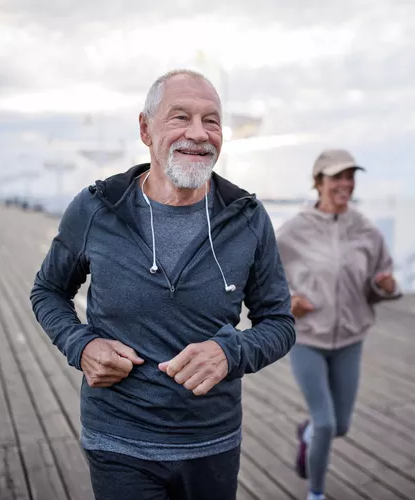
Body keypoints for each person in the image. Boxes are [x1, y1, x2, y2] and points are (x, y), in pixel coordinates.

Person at [30, 69, 295, 500]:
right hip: (118, 440)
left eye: (211, 121)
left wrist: (232, 352)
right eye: (180, 117)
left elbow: (279, 323)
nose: (198, 133)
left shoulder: (247, 217)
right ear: (145, 129)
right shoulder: (97, 209)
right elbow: (48, 291)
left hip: (213, 443)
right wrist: (81, 345)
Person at [275, 149, 403, 500]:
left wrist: (384, 286)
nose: (345, 184)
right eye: (336, 177)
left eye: (350, 177)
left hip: (350, 337)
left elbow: (380, 280)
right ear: (318, 182)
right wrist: (288, 299)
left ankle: (306, 435)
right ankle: (315, 493)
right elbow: (265, 278)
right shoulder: (293, 231)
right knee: (326, 423)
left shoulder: (365, 230)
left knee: (340, 426)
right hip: (307, 338)